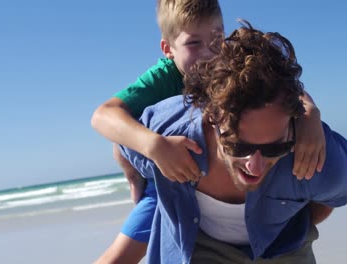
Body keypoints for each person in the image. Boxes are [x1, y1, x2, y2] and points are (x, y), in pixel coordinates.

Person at [92, 0, 325, 262]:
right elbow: (103, 115)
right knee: (122, 255)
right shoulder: (163, 77)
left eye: (217, 38)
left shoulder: (231, 61)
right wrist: (155, 146)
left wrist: (310, 115)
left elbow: (284, 89)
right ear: (168, 48)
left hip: (224, 177)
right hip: (169, 177)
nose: (209, 52)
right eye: (194, 43)